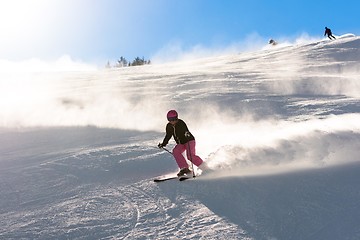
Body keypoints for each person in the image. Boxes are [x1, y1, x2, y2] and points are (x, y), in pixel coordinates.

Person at [158, 110, 207, 177]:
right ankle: (184, 168)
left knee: (190, 156)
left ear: (176, 118)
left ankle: (204, 167)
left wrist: (186, 133)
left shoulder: (181, 123)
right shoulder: (169, 126)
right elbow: (168, 135)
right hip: (181, 143)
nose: (172, 121)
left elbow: (185, 129)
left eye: (173, 119)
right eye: (169, 119)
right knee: (176, 151)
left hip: (189, 140)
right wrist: (163, 144)